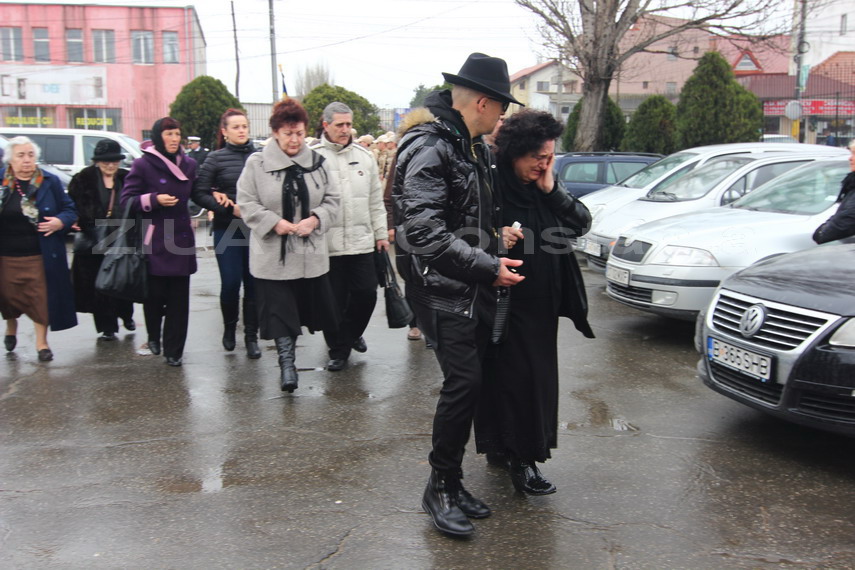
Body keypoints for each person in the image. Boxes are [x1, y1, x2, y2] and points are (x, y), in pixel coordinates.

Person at [391, 53, 525, 537]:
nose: (503, 117)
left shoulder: (470, 147)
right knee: (463, 385)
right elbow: (424, 232)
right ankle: (440, 487)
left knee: (469, 385)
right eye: (502, 107)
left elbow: (463, 220)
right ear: (482, 102)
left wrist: (494, 239)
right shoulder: (431, 147)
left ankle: (450, 480)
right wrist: (488, 266)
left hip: (466, 282)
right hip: (440, 289)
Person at [474, 109, 594, 495]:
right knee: (506, 380)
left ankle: (519, 452)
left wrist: (551, 188)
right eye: (537, 158)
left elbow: (581, 222)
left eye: (549, 157)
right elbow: (464, 234)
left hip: (542, 304)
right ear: (514, 153)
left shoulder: (544, 186)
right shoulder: (491, 183)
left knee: (534, 382)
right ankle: (517, 457)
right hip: (503, 301)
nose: (543, 164)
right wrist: (494, 238)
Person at [236, 98, 340, 392]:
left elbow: (334, 201)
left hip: (310, 253)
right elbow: (246, 202)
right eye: (287, 133)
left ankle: (341, 346)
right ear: (275, 133)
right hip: (273, 255)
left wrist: (316, 219)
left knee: (311, 311)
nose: (294, 140)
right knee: (281, 314)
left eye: (299, 133)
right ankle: (287, 367)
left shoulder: (319, 163)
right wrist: (274, 222)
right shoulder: (256, 163)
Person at [310, 102, 388, 371]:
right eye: (339, 125)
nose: (345, 130)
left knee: (367, 294)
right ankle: (339, 350)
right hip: (327, 244)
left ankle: (350, 334)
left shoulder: (364, 157)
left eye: (348, 124)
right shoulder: (312, 157)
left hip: (361, 241)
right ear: (326, 125)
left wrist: (380, 233)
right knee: (332, 303)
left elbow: (375, 201)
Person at [121, 117, 197, 367]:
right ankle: (154, 335)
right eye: (169, 134)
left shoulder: (189, 164)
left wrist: (218, 198)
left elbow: (198, 193)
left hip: (181, 239)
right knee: (154, 296)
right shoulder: (143, 164)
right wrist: (153, 199)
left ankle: (174, 350)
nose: (174, 139)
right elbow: (127, 200)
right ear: (158, 137)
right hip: (154, 239)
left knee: (179, 301)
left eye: (177, 133)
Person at [191, 108, 261, 359]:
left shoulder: (260, 156)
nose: (242, 131)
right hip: (227, 227)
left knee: (254, 284)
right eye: (236, 127)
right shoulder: (215, 159)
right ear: (225, 131)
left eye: (244, 126)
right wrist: (226, 207)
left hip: (257, 229)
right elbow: (198, 192)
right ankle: (230, 329)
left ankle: (252, 336)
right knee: (231, 283)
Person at [0, 136, 77, 361]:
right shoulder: (2, 182)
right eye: (21, 156)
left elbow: (70, 209)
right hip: (6, 254)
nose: (26, 161)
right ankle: (11, 326)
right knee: (7, 297)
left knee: (40, 299)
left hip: (39, 253)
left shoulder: (49, 181)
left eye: (30, 155)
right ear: (10, 160)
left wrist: (60, 221)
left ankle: (42, 344)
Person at [68, 139, 136, 341]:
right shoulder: (83, 179)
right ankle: (107, 327)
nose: (110, 165)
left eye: (114, 161)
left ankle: (126, 315)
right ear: (96, 161)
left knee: (122, 280)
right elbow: (72, 205)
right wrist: (75, 219)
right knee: (99, 285)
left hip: (122, 236)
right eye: (105, 161)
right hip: (93, 238)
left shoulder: (127, 178)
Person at [813, 140, 855, 244]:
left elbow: (846, 219)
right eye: (851, 153)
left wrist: (822, 233)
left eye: (854, 154)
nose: (850, 158)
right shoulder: (851, 183)